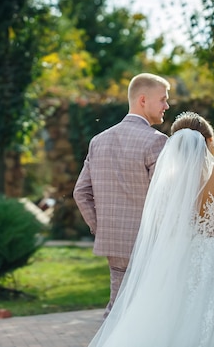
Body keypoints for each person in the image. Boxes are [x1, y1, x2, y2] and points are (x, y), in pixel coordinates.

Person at [87, 112, 214, 347]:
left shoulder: (166, 182)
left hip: (174, 258)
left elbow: (161, 226)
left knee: (170, 318)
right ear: (207, 141)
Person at [73, 73, 171, 318]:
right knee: (149, 314)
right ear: (143, 100)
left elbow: (80, 192)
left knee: (117, 311)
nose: (167, 106)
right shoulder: (157, 142)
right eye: (163, 99)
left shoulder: (98, 141)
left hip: (113, 244)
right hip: (148, 244)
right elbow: (165, 199)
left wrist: (101, 226)